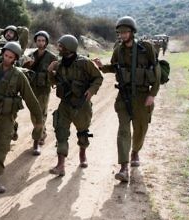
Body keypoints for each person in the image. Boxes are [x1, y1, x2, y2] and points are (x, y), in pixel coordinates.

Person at [93, 16, 161, 182]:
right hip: (124, 96)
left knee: (140, 129)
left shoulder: (146, 48)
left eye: (125, 31)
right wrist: (102, 67)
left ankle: (135, 152)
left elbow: (157, 72)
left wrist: (152, 94)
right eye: (120, 32)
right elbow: (114, 67)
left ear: (132, 31)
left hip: (143, 95)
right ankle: (123, 167)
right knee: (123, 130)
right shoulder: (119, 49)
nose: (122, 35)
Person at [0, 42, 43, 193]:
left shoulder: (19, 75)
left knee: (2, 146)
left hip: (7, 116)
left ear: (15, 59)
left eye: (10, 57)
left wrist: (39, 119)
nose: (7, 59)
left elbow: (30, 98)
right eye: (5, 55)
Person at [47, 34, 103, 177]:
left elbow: (98, 77)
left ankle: (82, 154)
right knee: (61, 132)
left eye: (61, 46)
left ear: (68, 48)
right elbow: (53, 82)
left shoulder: (84, 63)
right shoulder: (59, 64)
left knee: (82, 131)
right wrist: (50, 71)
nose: (58, 48)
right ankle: (60, 165)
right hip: (65, 104)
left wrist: (91, 91)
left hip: (81, 105)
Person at [23, 30, 57, 155]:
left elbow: (57, 73)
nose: (41, 42)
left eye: (43, 40)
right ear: (35, 41)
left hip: (44, 89)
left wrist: (51, 71)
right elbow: (24, 71)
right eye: (38, 40)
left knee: (41, 113)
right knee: (33, 113)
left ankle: (38, 138)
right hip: (32, 88)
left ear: (46, 42)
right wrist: (28, 64)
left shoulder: (52, 57)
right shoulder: (31, 55)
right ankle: (42, 131)